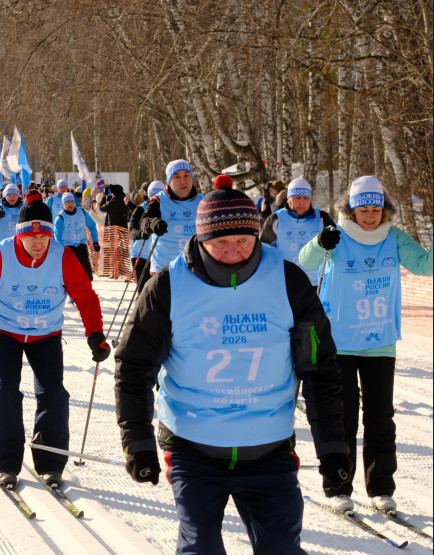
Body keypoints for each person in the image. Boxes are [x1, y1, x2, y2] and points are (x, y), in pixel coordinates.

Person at [115, 175, 349, 554]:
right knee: (201, 546)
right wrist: (137, 442)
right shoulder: (168, 286)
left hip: (269, 449)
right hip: (193, 448)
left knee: (281, 548)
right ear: (201, 239)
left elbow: (320, 368)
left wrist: (333, 447)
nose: (234, 252)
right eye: (220, 243)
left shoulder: (288, 281)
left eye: (243, 240)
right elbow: (133, 366)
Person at [0, 191, 110, 488]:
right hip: (4, 330)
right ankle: (5, 463)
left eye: (44, 237)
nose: (38, 244)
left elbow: (86, 297)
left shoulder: (62, 255)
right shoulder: (0, 254)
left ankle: (50, 462)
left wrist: (95, 334)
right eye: (31, 237)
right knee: (5, 392)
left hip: (45, 333)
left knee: (54, 394)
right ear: (20, 234)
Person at [299, 175, 433, 513]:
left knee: (381, 418)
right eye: (364, 210)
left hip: (380, 342)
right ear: (352, 210)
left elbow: (424, 266)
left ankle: (381, 488)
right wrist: (319, 242)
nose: (370, 216)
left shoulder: (394, 237)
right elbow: (306, 261)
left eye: (376, 210)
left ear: (384, 210)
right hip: (340, 343)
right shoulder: (337, 235)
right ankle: (339, 487)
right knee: (343, 417)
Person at [260, 178, 334, 286]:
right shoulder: (276, 219)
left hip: (317, 284)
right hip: (288, 284)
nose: (302, 202)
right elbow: (263, 251)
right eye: (297, 198)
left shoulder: (322, 218)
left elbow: (337, 247)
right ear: (289, 198)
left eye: (306, 198)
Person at [140, 159, 202, 275]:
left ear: (192, 178)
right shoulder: (159, 200)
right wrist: (154, 223)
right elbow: (144, 221)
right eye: (177, 177)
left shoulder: (202, 201)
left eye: (186, 175)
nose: (183, 181)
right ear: (169, 181)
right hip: (164, 270)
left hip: (195, 269)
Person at [53, 191, 100, 281]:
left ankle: (87, 287)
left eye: (72, 202)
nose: (70, 204)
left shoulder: (82, 212)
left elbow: (92, 226)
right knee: (70, 273)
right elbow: (57, 235)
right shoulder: (60, 218)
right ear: (63, 204)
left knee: (86, 272)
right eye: (67, 202)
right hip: (67, 247)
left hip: (81, 244)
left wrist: (95, 241)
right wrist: (61, 249)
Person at [127, 181, 165, 291]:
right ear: (148, 195)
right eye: (153, 195)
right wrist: (141, 234)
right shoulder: (141, 209)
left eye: (159, 195)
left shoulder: (167, 208)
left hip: (159, 257)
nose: (155, 198)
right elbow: (132, 232)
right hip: (141, 255)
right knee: (144, 291)